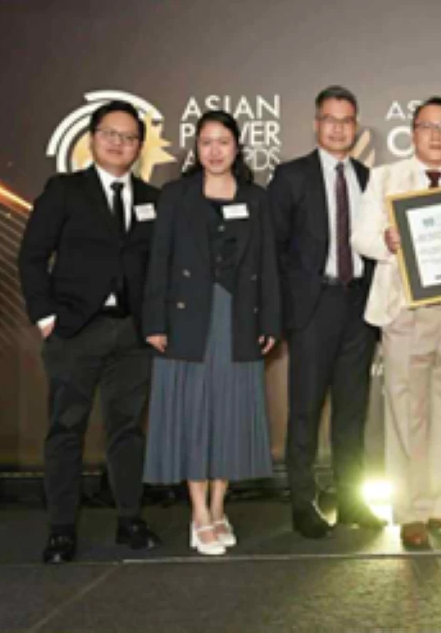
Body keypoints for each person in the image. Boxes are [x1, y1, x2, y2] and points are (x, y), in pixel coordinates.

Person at [18, 100, 162, 564]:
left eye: (129, 137)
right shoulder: (64, 190)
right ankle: (61, 530)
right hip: (74, 332)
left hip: (131, 337)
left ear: (140, 147)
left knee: (127, 430)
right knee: (65, 429)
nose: (120, 143)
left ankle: (130, 519)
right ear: (92, 138)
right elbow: (32, 256)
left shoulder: (150, 200)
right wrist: (45, 317)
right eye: (111, 134)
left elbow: (157, 270)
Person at [351, 97, 441, 550]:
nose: (436, 136)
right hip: (404, 313)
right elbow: (361, 237)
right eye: (427, 127)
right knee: (406, 413)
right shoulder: (385, 178)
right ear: (412, 132)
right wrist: (388, 240)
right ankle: (411, 512)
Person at [141, 110, 281, 556]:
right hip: (187, 321)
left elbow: (268, 266)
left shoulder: (256, 199)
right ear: (196, 148)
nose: (215, 150)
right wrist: (155, 322)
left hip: (238, 319)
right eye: (206, 142)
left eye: (224, 141)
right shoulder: (176, 195)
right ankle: (198, 512)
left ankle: (220, 507)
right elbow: (158, 261)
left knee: (228, 414)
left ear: (237, 147)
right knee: (191, 413)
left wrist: (270, 321)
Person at [268, 86, 384, 539]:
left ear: (356, 126)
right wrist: (279, 315)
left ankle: (353, 499)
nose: (338, 127)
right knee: (305, 411)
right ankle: (303, 501)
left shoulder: (367, 178)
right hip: (313, 307)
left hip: (358, 305)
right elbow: (273, 251)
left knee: (352, 411)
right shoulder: (290, 176)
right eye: (330, 119)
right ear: (316, 124)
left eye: (347, 120)